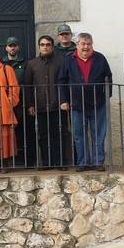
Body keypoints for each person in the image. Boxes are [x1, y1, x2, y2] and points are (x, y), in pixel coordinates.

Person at [58, 33, 112, 172]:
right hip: (76, 104)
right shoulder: (69, 60)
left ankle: (97, 162)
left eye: (88, 44)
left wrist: (106, 96)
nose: (86, 47)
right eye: (83, 44)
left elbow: (108, 77)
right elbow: (62, 81)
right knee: (79, 135)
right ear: (77, 45)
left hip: (97, 104)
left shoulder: (100, 58)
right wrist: (63, 100)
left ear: (92, 45)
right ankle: (82, 162)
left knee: (98, 134)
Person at [24, 35, 71, 168]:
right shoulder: (32, 64)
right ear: (39, 46)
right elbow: (27, 85)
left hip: (58, 105)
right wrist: (30, 104)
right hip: (40, 106)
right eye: (42, 45)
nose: (45, 47)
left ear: (52, 46)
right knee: (43, 136)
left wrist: (66, 101)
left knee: (60, 134)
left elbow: (67, 82)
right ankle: (47, 163)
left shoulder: (61, 61)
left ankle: (61, 162)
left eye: (48, 44)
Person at [2, 36, 32, 162]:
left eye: (14, 45)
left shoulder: (26, 63)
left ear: (18, 47)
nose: (12, 48)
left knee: (25, 130)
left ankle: (28, 160)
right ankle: (9, 159)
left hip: (22, 100)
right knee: (7, 131)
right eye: (10, 46)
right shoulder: (1, 63)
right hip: (5, 101)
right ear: (6, 48)